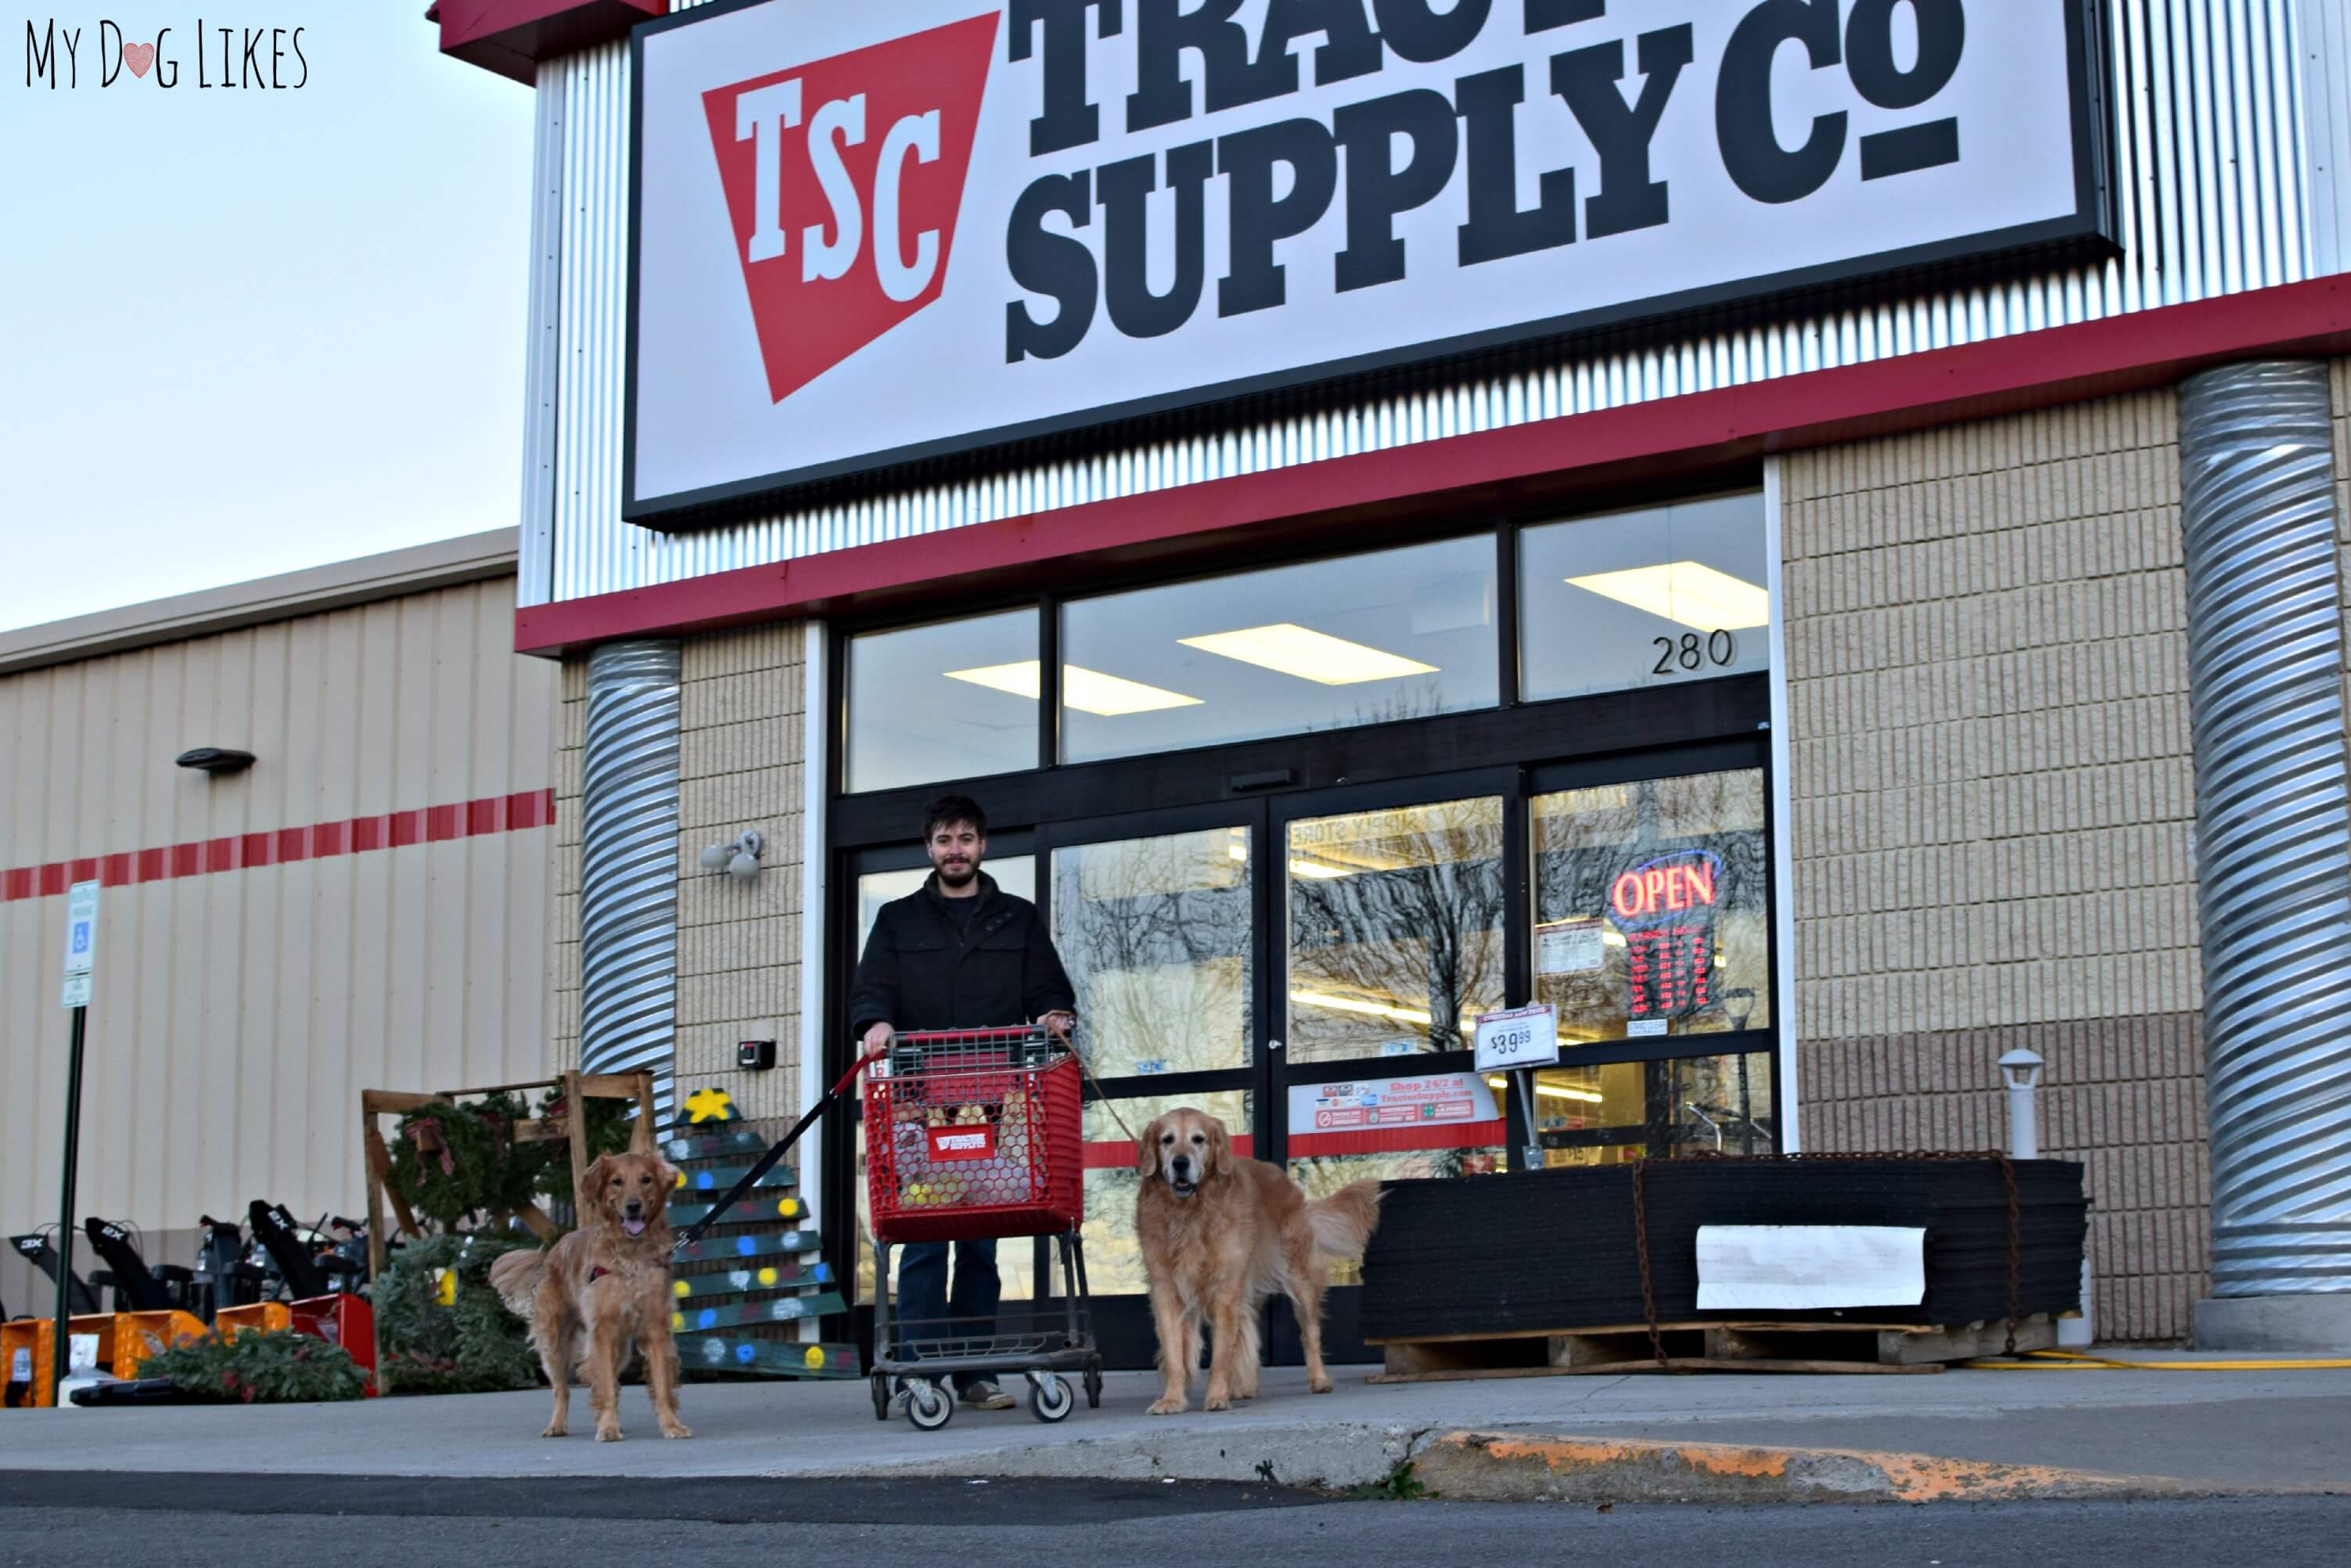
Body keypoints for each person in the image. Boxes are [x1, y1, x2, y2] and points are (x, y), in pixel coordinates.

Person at [847, 793, 1076, 1410]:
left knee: (981, 1236)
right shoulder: (897, 920)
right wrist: (874, 1023)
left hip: (994, 1101)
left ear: (982, 846)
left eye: (966, 839)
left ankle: (976, 1373)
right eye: (945, 840)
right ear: (929, 848)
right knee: (923, 1235)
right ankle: (919, 1369)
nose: (956, 850)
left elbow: (1047, 987)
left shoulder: (1017, 918)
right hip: (918, 1100)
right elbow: (872, 990)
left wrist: (1055, 1014)